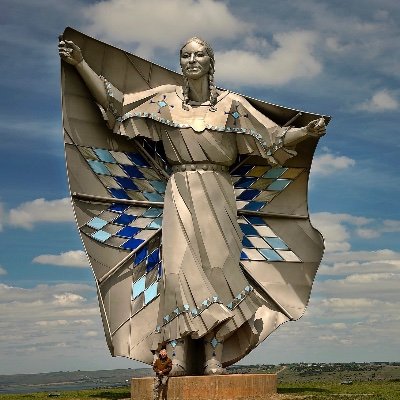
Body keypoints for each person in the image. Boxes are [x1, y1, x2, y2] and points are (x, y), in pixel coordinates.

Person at [59, 36, 326, 375]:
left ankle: (215, 355)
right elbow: (118, 106)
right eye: (186, 55)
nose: (192, 60)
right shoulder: (165, 100)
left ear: (211, 62)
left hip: (219, 191)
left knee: (218, 268)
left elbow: (271, 138)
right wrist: (81, 64)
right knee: (176, 270)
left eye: (199, 54)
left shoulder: (232, 106)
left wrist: (306, 132)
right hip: (179, 188)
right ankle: (178, 354)